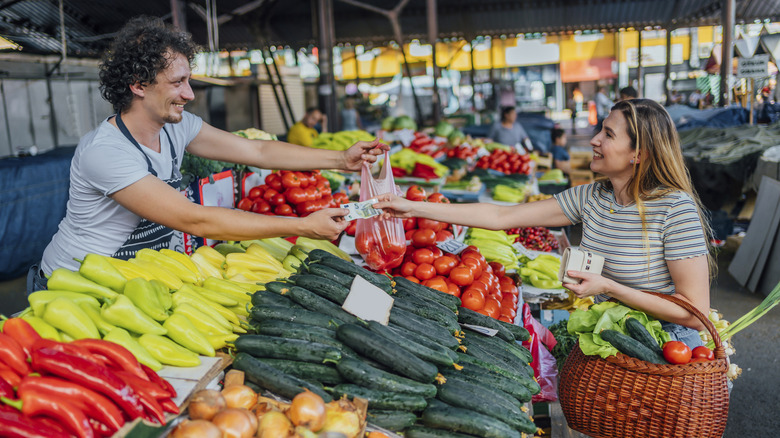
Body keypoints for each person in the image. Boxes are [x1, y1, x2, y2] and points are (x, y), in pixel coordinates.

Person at [30, 17, 385, 292]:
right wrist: (302, 226)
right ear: (138, 84)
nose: (190, 94)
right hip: (74, 282)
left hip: (131, 276)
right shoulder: (106, 152)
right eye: (177, 83)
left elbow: (256, 150)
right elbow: (193, 219)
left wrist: (340, 159)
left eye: (189, 81)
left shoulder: (176, 127)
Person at [376, 99, 714, 347]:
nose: (594, 140)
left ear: (637, 154)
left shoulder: (673, 208)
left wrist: (609, 287)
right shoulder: (593, 197)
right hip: (613, 338)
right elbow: (500, 216)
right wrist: (415, 207)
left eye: (608, 134)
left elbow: (695, 312)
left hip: (668, 348)